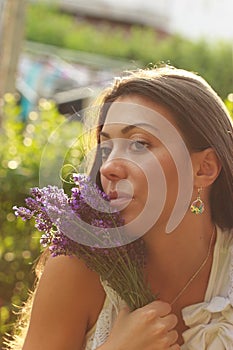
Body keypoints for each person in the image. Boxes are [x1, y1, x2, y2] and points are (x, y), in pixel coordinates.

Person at [5, 66, 233, 350]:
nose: (109, 166)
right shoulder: (75, 269)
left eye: (139, 144)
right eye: (105, 148)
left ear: (204, 169)